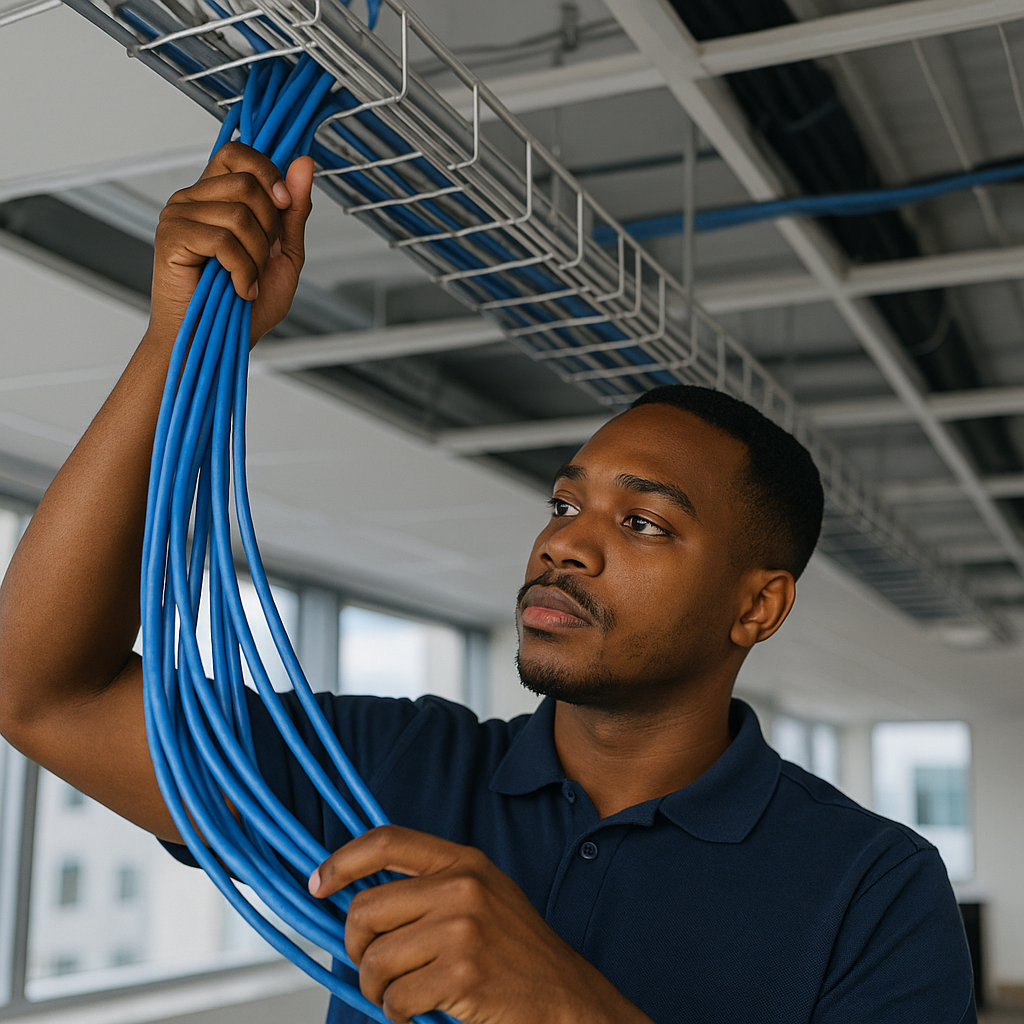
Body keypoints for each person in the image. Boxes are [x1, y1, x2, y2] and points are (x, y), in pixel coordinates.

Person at [0, 144, 976, 1024]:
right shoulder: (385, 772)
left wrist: (565, 1007)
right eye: (563, 505)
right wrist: (181, 338)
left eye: (640, 522)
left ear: (755, 606)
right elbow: (44, 690)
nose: (565, 547)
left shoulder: (872, 886)